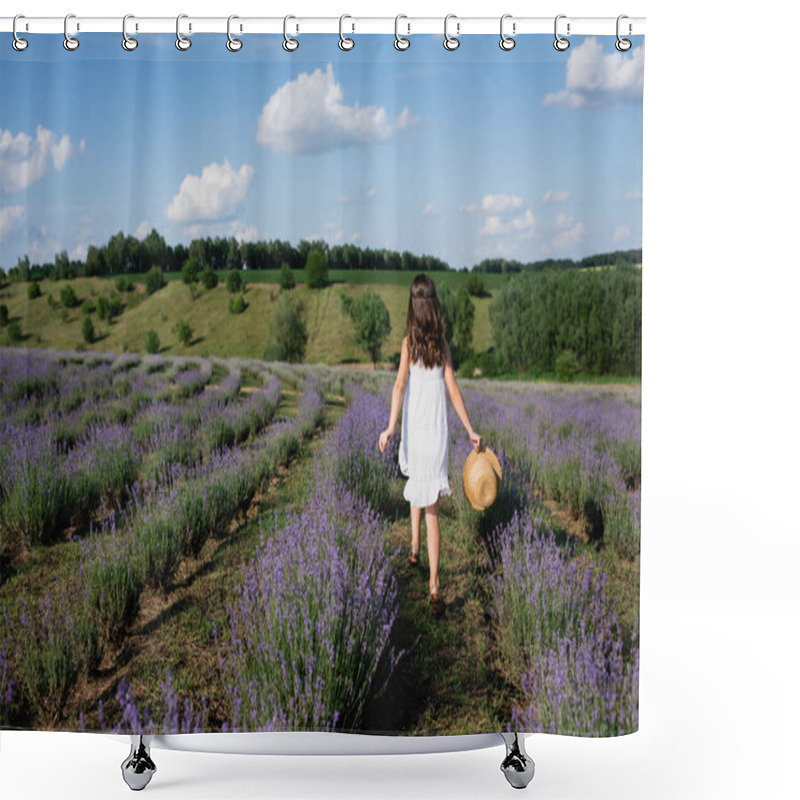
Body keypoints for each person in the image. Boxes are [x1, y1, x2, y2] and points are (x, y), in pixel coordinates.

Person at [379, 274, 481, 616]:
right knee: (432, 510)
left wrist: (390, 428)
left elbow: (398, 387)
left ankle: (412, 546)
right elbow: (454, 392)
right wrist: (470, 431)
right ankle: (434, 584)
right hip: (436, 436)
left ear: (413, 305)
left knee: (415, 487)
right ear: (434, 305)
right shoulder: (441, 345)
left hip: (416, 434)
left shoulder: (409, 343)